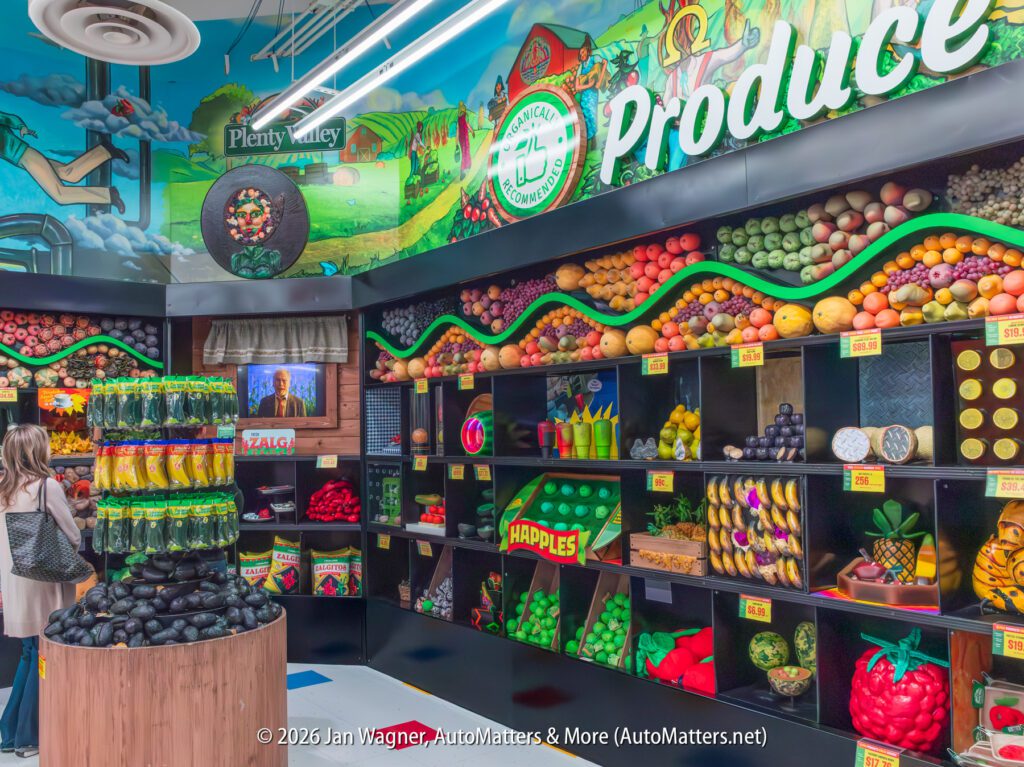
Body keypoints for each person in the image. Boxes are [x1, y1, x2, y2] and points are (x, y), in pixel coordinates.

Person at [0, 424, 81, 759]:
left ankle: (9, 731)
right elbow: (72, 535)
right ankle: (28, 737)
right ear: (38, 451)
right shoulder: (46, 487)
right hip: (41, 581)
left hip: (14, 581)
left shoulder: (4, 488)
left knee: (29, 652)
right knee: (42, 652)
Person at [0, 112, 127, 213]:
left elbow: (10, 119)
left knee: (60, 195)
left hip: (25, 156)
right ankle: (105, 151)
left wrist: (22, 127)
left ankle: (109, 195)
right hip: (22, 160)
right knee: (69, 173)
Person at [574, 41, 607, 151]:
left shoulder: (595, 59)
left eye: (583, 52)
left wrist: (599, 82)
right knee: (585, 119)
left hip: (593, 95)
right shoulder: (581, 67)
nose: (582, 55)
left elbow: (605, 63)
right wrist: (588, 85)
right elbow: (577, 87)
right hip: (584, 97)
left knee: (593, 117)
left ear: (588, 51)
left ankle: (593, 143)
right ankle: (587, 146)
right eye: (580, 54)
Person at [456, 102, 473, 180]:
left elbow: (457, 130)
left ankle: (468, 164)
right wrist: (472, 131)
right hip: (465, 137)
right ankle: (462, 171)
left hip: (461, 138)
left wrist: (456, 142)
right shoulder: (465, 116)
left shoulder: (458, 118)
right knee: (466, 152)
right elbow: (468, 125)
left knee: (464, 152)